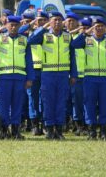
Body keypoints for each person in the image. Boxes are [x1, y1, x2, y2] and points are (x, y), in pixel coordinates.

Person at [28, 11, 78, 140]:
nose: (57, 22)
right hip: (48, 74)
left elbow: (72, 57)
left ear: (63, 22)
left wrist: (73, 74)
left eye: (59, 20)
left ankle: (59, 130)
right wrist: (42, 28)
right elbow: (31, 40)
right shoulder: (43, 35)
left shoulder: (67, 36)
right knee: (48, 102)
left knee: (61, 102)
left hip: (63, 75)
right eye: (54, 20)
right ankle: (49, 129)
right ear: (50, 22)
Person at [0, 15, 34, 139]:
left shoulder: (24, 40)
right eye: (11, 24)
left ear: (19, 26)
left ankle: (16, 129)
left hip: (19, 76)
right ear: (6, 25)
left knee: (17, 103)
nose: (13, 27)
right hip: (2, 76)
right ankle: (4, 129)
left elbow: (29, 60)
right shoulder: (0, 38)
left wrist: (29, 78)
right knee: (3, 104)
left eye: (16, 25)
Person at [71, 16, 106, 140]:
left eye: (101, 26)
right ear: (93, 27)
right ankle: (91, 131)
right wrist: (84, 33)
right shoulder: (86, 40)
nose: (99, 28)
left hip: (105, 79)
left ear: (105, 28)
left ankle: (103, 132)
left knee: (105, 104)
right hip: (90, 79)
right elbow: (73, 45)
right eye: (96, 26)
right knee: (89, 104)